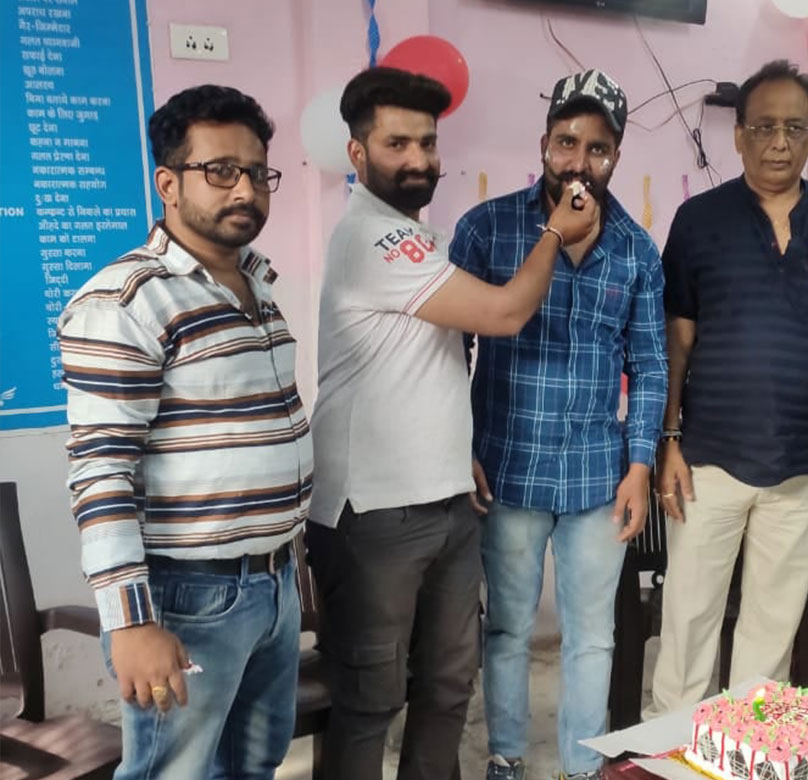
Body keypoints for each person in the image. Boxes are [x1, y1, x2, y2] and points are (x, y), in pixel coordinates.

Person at [305, 67, 599, 780]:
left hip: (446, 500)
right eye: (397, 144)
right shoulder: (371, 240)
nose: (419, 159)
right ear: (357, 154)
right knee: (369, 703)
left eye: (428, 143)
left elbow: (429, 359)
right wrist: (555, 234)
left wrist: (455, 446)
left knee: (446, 688)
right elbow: (504, 313)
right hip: (375, 514)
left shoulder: (421, 237)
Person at [60, 85, 312, 779]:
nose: (246, 189)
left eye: (256, 171)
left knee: (253, 766)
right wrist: (131, 622)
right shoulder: (127, 300)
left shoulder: (256, 287)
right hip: (190, 596)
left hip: (274, 582)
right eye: (221, 171)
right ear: (168, 184)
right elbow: (100, 471)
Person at [647, 60, 808, 715]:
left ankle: (750, 746)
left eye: (793, 128)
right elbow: (677, 339)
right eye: (763, 127)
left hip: (803, 462)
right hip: (708, 458)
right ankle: (670, 745)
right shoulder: (699, 219)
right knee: (688, 620)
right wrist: (669, 439)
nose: (779, 142)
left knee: (772, 629)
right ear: (738, 136)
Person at [448, 69, 667, 780]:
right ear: (543, 143)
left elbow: (651, 364)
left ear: (616, 156)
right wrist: (457, 446)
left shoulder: (636, 250)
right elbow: (449, 350)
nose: (579, 161)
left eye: (597, 148)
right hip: (506, 466)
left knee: (592, 636)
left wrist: (640, 466)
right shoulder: (487, 229)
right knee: (508, 628)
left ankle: (583, 767)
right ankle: (507, 759)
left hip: (597, 474)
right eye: (567, 142)